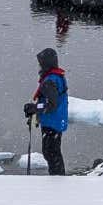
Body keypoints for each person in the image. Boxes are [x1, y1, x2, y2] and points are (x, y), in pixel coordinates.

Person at [24, 47, 69, 175]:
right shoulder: (56, 77)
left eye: (41, 63)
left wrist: (34, 108)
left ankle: (57, 179)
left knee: (50, 152)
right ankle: (58, 177)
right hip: (56, 121)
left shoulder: (49, 81)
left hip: (52, 122)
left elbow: (51, 104)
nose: (39, 66)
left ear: (46, 63)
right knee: (53, 152)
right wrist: (36, 109)